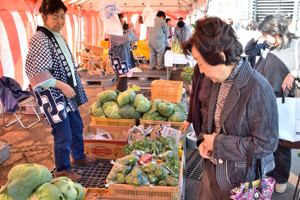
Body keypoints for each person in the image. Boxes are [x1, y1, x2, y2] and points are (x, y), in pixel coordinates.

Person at [182, 17, 278, 199]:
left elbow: (266, 144)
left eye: (201, 63)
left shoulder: (258, 87)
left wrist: (218, 144)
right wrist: (204, 141)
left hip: (239, 181)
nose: (200, 71)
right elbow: (209, 116)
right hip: (211, 173)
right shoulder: (216, 80)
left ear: (220, 55)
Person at [25, 0, 96, 182]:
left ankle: (78, 157)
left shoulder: (57, 35)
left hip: (66, 94)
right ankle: (62, 169)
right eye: (55, 16)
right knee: (62, 133)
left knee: (76, 125)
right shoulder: (41, 37)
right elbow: (39, 72)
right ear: (44, 17)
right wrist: (61, 85)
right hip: (54, 95)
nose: (60, 21)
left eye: (62, 17)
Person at [244, 14, 300, 193]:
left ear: (278, 32)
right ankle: (264, 173)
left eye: (268, 34)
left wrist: (294, 73)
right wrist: (258, 36)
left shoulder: (296, 46)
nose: (266, 37)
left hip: (284, 98)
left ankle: (281, 178)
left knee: (282, 142)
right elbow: (248, 50)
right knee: (261, 138)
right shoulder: (267, 45)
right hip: (262, 97)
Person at [109, 13, 138, 92]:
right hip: (120, 60)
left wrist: (131, 31)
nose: (123, 22)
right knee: (123, 79)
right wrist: (131, 30)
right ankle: (120, 96)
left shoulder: (120, 31)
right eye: (121, 20)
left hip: (124, 59)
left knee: (123, 79)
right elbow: (127, 38)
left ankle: (121, 95)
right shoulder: (114, 33)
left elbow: (132, 39)